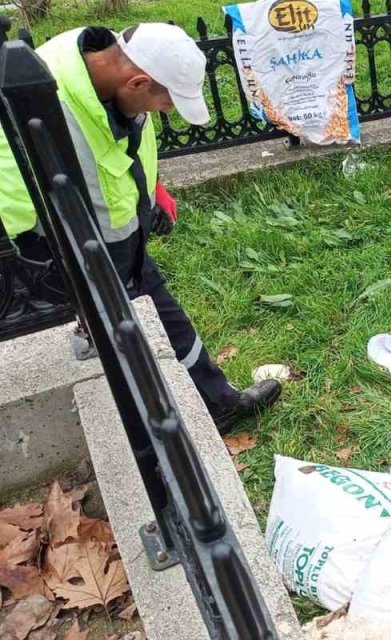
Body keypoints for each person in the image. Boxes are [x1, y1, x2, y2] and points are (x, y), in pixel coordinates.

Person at [0, 24, 280, 433]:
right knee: (117, 342)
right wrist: (39, 264)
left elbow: (123, 146)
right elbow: (11, 193)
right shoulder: (44, 99)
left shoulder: (110, 58)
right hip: (66, 254)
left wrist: (152, 191)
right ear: (138, 82)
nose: (165, 110)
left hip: (121, 234)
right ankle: (148, 430)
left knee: (163, 313)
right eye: (164, 101)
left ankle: (218, 403)